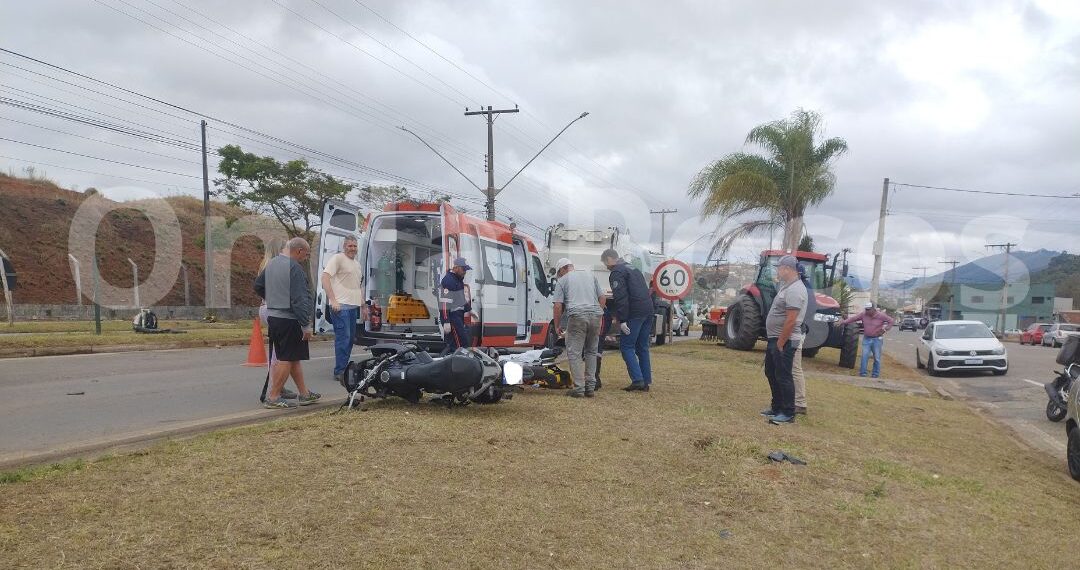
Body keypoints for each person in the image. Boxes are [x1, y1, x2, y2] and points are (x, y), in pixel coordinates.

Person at [254, 237, 321, 409]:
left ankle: (304, 394)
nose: (305, 258)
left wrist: (273, 298)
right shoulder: (294, 268)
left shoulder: (273, 263)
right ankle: (274, 396)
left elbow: (258, 286)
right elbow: (300, 299)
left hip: (274, 317)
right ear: (299, 251)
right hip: (290, 319)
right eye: (306, 254)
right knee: (286, 358)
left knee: (293, 357)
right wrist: (305, 325)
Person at [761, 255, 807, 425]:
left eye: (778, 268)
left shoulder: (795, 289)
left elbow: (791, 320)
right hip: (777, 338)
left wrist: (781, 343)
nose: (777, 271)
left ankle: (788, 412)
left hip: (785, 339)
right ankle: (777, 407)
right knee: (771, 372)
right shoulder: (786, 287)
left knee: (783, 375)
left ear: (787, 269)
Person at [601, 249, 655, 392]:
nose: (606, 267)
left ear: (609, 259)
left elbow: (621, 297)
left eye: (605, 263)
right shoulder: (633, 268)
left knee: (626, 347)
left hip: (634, 313)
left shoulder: (617, 272)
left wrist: (623, 319)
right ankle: (645, 381)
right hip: (648, 309)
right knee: (642, 347)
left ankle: (637, 380)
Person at [552, 258, 605, 398]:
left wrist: (557, 325)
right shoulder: (590, 276)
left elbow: (557, 306)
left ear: (562, 269)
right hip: (596, 315)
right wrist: (598, 316)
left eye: (559, 273)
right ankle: (590, 387)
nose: (559, 276)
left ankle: (579, 388)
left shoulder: (563, 281)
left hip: (577, 316)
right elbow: (602, 298)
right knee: (591, 352)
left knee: (574, 353)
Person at [257, 237, 296, 401]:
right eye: (286, 247)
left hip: (266, 308)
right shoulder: (277, 266)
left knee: (277, 351)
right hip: (274, 310)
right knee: (279, 354)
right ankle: (275, 389)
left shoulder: (265, 265)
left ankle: (278, 386)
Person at [320, 235, 363, 383]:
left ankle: (344, 369)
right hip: (340, 307)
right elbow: (325, 278)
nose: (352, 248)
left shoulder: (357, 264)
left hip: (352, 308)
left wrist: (363, 306)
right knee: (343, 339)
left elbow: (357, 286)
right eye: (350, 246)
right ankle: (339, 371)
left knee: (350, 339)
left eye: (355, 246)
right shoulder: (337, 259)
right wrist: (333, 300)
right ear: (344, 246)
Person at [840, 302, 896, 378]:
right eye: (866, 309)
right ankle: (863, 373)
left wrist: (885, 329)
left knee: (877, 357)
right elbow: (853, 319)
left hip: (877, 339)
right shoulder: (863, 314)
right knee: (864, 356)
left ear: (873, 309)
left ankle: (875, 374)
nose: (867, 311)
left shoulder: (881, 315)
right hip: (867, 339)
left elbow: (891, 321)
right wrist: (843, 322)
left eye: (869, 309)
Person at [439, 257, 473, 355]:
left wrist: (469, 310)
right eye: (463, 269)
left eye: (466, 270)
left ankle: (455, 361)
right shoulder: (449, 281)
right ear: (456, 267)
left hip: (458, 316)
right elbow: (444, 303)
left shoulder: (458, 280)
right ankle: (455, 362)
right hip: (452, 317)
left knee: (460, 343)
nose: (465, 272)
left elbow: (460, 299)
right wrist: (446, 321)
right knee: (459, 345)